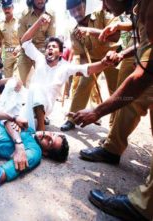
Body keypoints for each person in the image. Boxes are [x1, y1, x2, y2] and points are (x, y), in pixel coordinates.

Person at [72, 0, 153, 220]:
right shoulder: (140, 7)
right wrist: (123, 54)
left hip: (148, 71)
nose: (104, 6)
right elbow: (145, 44)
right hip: (145, 66)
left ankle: (144, 205)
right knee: (129, 101)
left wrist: (97, 111)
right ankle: (112, 149)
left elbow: (144, 75)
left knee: (130, 95)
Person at [21, 14, 116, 131]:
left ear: (61, 53)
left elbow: (87, 69)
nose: (50, 48)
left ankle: (41, 130)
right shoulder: (40, 59)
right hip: (30, 99)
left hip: (46, 106)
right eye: (48, 47)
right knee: (13, 84)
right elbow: (24, 42)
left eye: (54, 47)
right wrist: (39, 22)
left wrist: (104, 63)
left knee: (36, 88)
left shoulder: (65, 67)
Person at [60, 0, 120, 131]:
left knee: (116, 92)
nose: (76, 13)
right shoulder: (74, 32)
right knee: (83, 84)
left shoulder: (102, 14)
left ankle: (114, 127)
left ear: (84, 5)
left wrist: (90, 31)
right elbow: (82, 55)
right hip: (93, 61)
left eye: (78, 8)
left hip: (112, 56)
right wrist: (86, 69)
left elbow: (115, 36)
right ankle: (72, 119)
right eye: (72, 11)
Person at [17, 0, 55, 86]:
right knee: (19, 84)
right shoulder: (24, 14)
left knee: (43, 85)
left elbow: (51, 40)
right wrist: (39, 22)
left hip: (42, 52)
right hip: (25, 50)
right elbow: (22, 41)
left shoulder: (51, 14)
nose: (41, 1)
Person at [0, 0, 21, 78]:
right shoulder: (0, 24)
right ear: (3, 9)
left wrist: (20, 47)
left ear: (12, 7)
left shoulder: (20, 22)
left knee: (17, 77)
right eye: (5, 8)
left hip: (19, 52)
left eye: (8, 8)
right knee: (7, 79)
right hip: (7, 55)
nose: (7, 10)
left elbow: (25, 37)